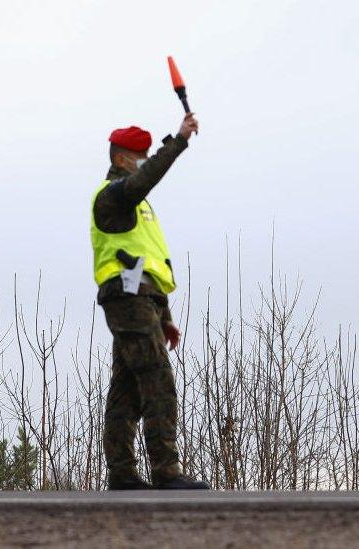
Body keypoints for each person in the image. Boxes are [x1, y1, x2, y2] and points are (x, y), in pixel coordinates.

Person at [91, 113, 209, 490]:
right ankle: (166, 471)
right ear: (123, 159)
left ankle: (122, 474)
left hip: (142, 301)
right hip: (127, 300)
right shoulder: (114, 196)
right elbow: (146, 179)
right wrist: (178, 141)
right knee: (158, 380)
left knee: (126, 389)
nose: (143, 162)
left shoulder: (137, 208)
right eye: (139, 156)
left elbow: (145, 264)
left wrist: (165, 316)